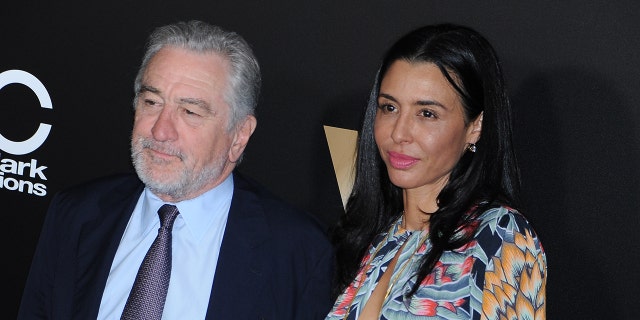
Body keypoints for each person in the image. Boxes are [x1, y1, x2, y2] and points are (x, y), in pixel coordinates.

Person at [18, 20, 334, 319]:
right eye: (152, 103)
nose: (160, 131)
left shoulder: (296, 251)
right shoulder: (76, 214)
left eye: (189, 111)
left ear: (239, 135)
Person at [326, 23, 547, 319]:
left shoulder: (498, 235)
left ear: (475, 127)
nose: (399, 133)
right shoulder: (379, 239)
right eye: (389, 108)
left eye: (427, 114)